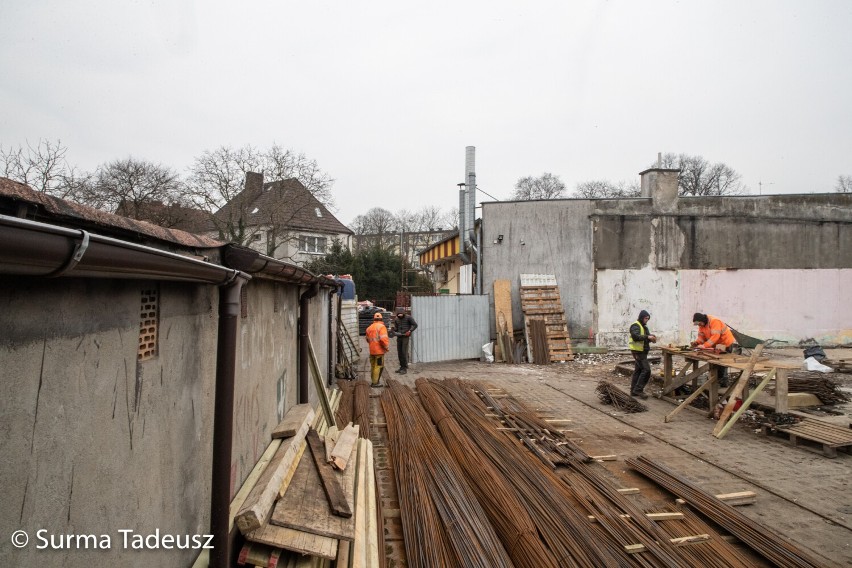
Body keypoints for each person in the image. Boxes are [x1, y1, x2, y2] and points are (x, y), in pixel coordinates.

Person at [690, 313, 738, 386]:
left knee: (723, 363)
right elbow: (701, 337)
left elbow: (715, 337)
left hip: (725, 343)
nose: (699, 325)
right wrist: (697, 342)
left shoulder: (715, 322)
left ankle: (723, 382)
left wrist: (704, 346)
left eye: (699, 324)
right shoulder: (702, 325)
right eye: (698, 324)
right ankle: (715, 381)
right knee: (714, 362)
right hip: (717, 345)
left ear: (702, 320)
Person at [628, 309, 657, 399]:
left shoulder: (644, 327)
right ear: (641, 317)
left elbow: (646, 337)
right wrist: (648, 337)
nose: (646, 320)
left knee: (638, 371)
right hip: (638, 351)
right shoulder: (635, 325)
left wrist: (651, 338)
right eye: (645, 318)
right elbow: (635, 336)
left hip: (642, 351)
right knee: (646, 370)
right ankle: (638, 390)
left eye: (648, 318)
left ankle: (634, 391)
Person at [390, 310, 418, 375]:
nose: (400, 316)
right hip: (399, 337)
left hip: (405, 337)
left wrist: (410, 331)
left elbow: (415, 325)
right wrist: (393, 330)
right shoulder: (397, 319)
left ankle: (404, 368)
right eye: (398, 315)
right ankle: (401, 366)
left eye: (401, 315)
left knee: (404, 351)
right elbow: (396, 329)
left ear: (403, 314)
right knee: (399, 352)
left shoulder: (409, 318)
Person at [365, 312, 389, 387]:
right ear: (381, 319)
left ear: (374, 319)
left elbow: (367, 339)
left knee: (373, 366)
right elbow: (383, 339)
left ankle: (373, 380)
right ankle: (375, 383)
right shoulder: (382, 327)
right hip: (379, 351)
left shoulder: (369, 328)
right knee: (378, 366)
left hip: (372, 351)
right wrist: (386, 347)